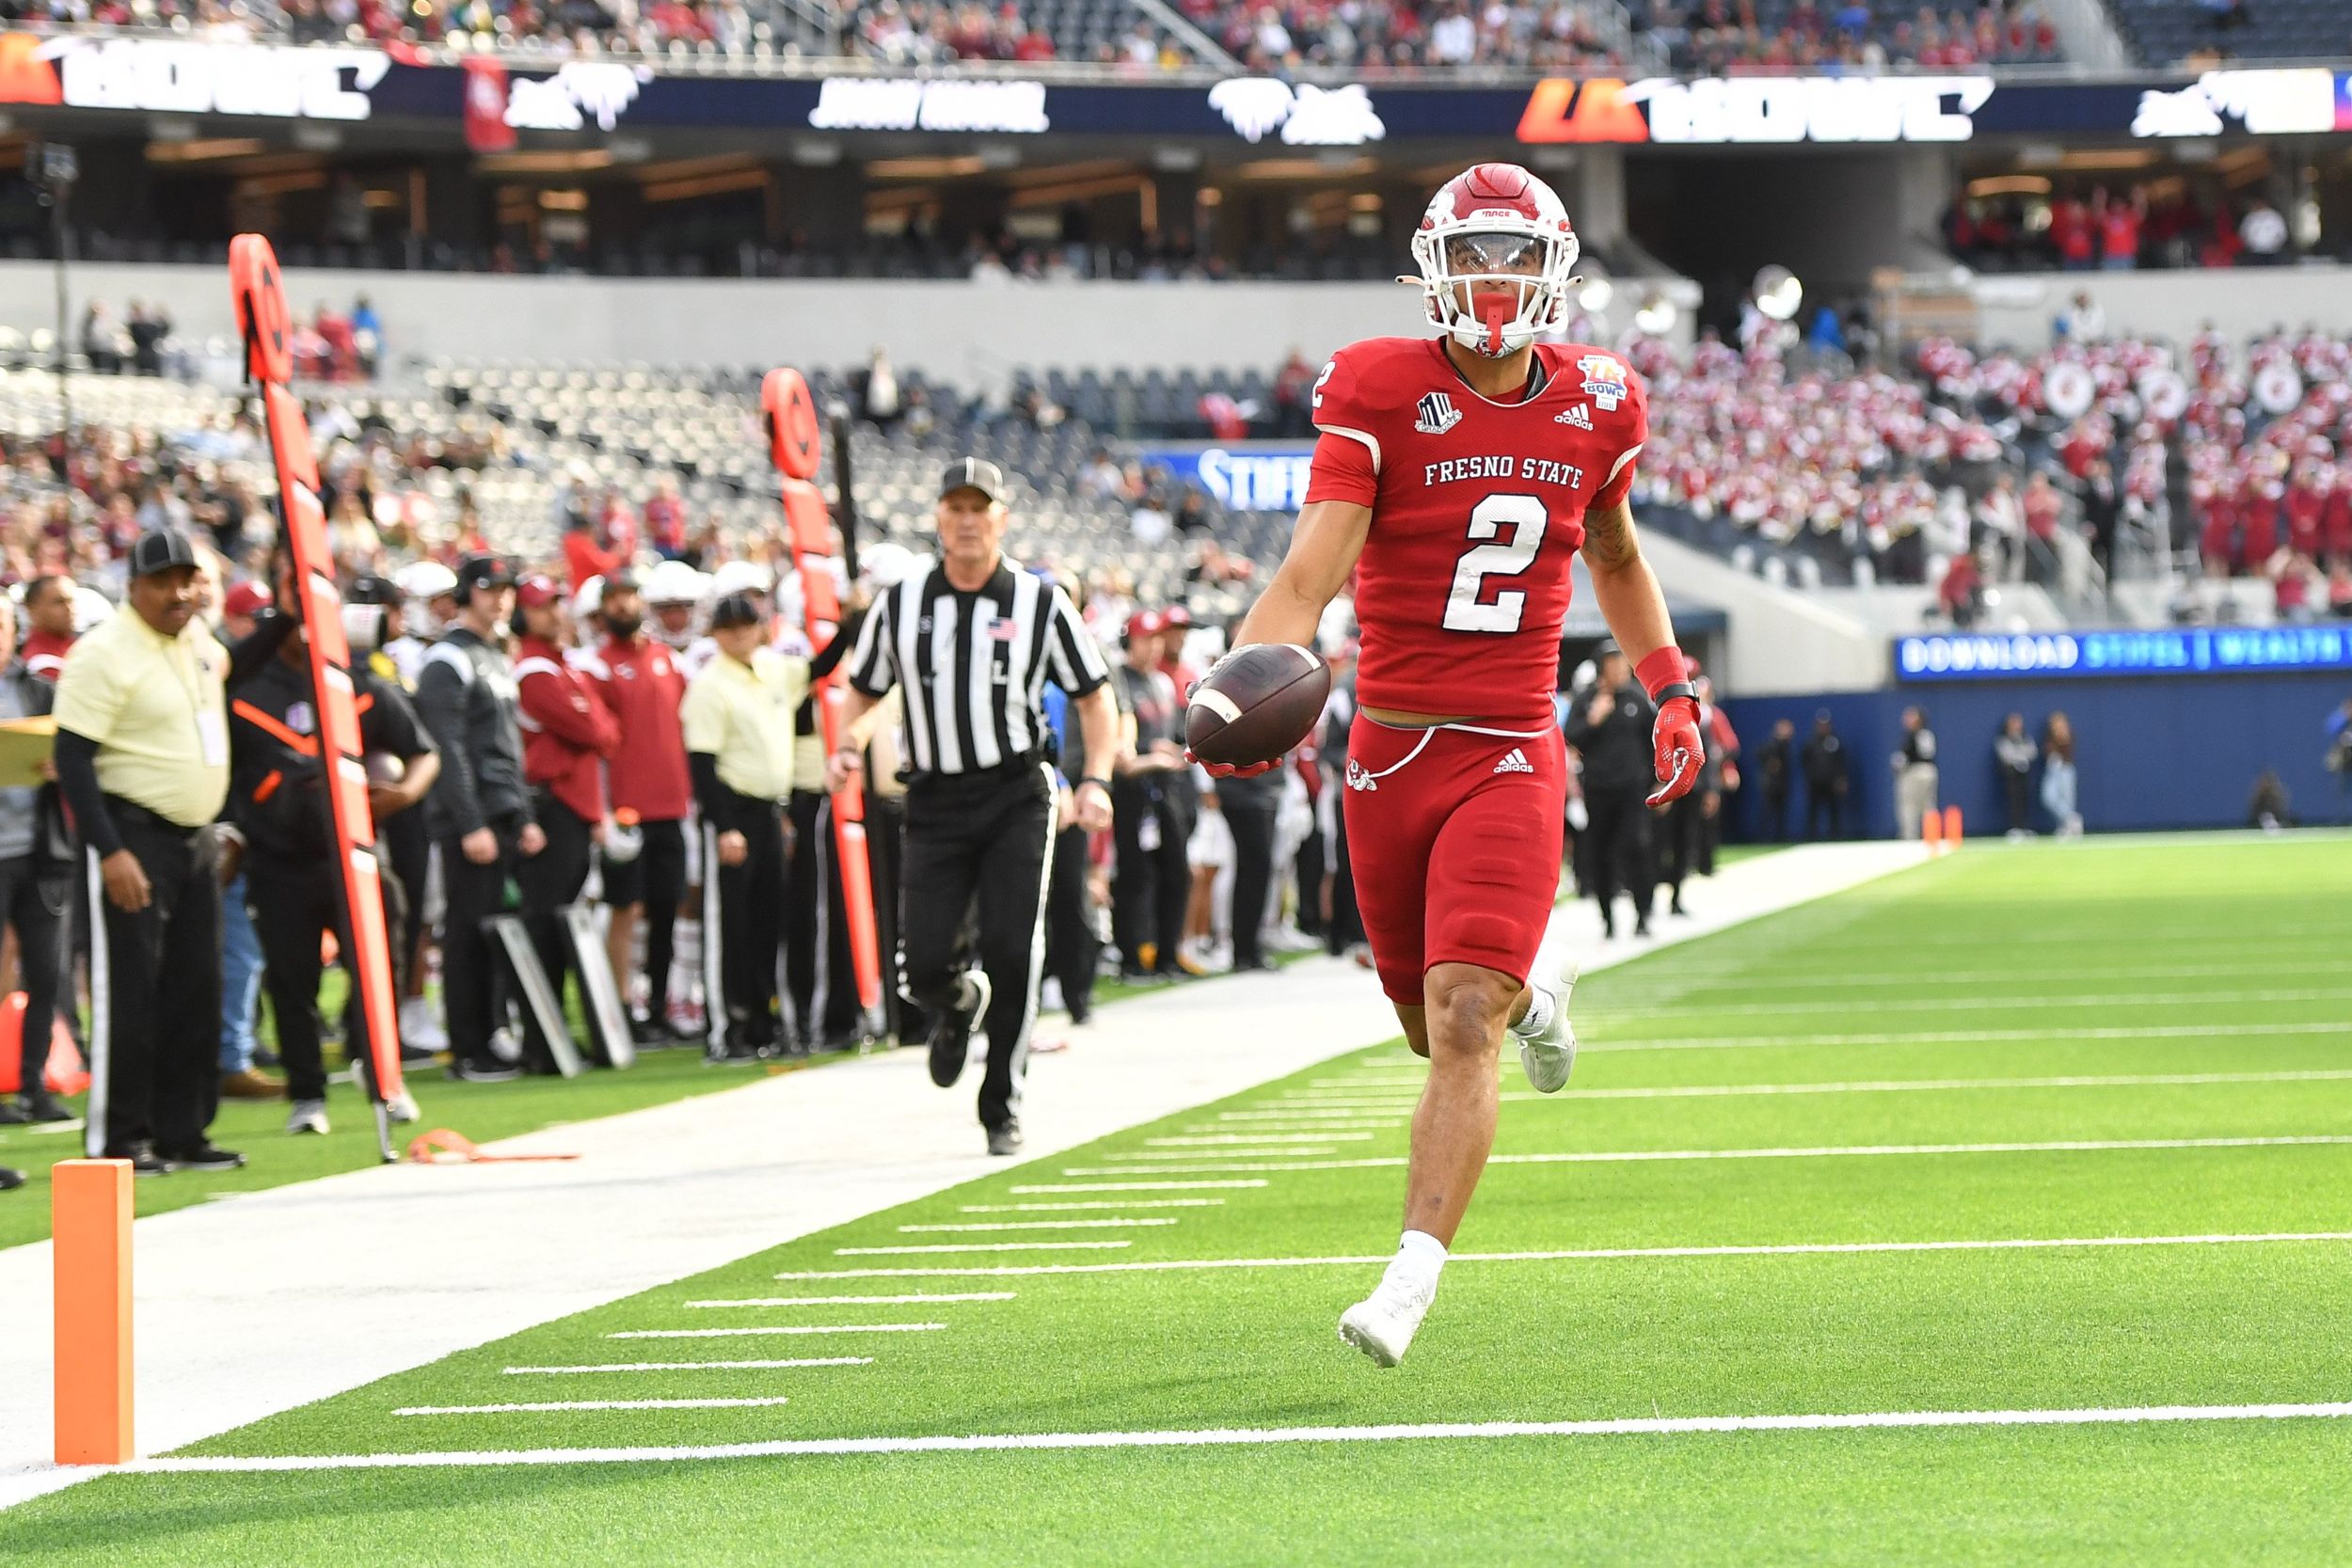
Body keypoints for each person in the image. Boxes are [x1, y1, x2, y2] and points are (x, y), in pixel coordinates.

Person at [1200, 164, 1701, 1365]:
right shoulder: (1376, 387)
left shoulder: (1599, 399)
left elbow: (1618, 559)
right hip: (1388, 750)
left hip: (1511, 744)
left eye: (1515, 257)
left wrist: (1670, 685)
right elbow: (1311, 575)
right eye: (1472, 255)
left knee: (1462, 1010)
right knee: (1437, 1031)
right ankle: (1543, 990)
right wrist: (1236, 681)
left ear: (1555, 273)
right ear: (1434, 267)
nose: (1493, 279)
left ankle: (1409, 1279)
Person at [833, 458, 1117, 1157]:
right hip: (932, 794)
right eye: (954, 507)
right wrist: (850, 738)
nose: (966, 520)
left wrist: (1097, 778)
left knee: (1013, 947)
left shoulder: (1038, 601)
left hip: (1015, 793)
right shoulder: (900, 603)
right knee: (922, 964)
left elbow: (1093, 693)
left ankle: (1001, 1104)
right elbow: (865, 689)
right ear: (938, 518)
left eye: (978, 507)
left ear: (1000, 519)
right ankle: (959, 1002)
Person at [53, 529, 290, 1173]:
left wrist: (288, 614)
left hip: (193, 839)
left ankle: (184, 1130)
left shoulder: (194, 642)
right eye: (163, 581)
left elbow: (236, 665)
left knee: (196, 987)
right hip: (132, 836)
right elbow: (71, 757)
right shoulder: (104, 651)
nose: (178, 592)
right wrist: (108, 850)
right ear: (133, 586)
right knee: (131, 993)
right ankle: (121, 1138)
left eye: (187, 579)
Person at [228, 569, 438, 1133]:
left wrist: (405, 794)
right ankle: (307, 1095)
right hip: (280, 859)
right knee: (292, 981)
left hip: (355, 854)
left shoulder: (359, 684)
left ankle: (380, 1073)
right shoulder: (249, 687)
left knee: (378, 968)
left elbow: (422, 752)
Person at [414, 554, 546, 1083]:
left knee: (497, 931)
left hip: (502, 813)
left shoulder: (490, 654)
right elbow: (446, 748)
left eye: (508, 589)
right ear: (466, 593)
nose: (501, 598)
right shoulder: (448, 659)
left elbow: (504, 747)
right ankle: (467, 1047)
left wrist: (523, 815)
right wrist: (469, 823)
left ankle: (490, 1032)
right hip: (472, 820)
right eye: (490, 589)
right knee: (468, 932)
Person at [681, 590, 805, 1059]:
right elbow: (702, 764)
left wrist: (851, 616)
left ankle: (761, 1021)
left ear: (761, 627)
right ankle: (727, 1027)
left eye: (746, 625)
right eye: (729, 627)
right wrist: (724, 825)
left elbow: (820, 669)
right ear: (716, 634)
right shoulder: (711, 684)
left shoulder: (773, 667)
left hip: (769, 808)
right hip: (733, 811)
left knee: (767, 920)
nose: (738, 634)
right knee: (729, 925)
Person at [572, 571, 694, 1043]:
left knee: (666, 907)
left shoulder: (669, 661)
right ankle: (620, 1006)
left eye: (630, 597)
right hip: (626, 809)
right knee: (626, 908)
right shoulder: (597, 667)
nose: (624, 607)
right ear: (603, 610)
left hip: (671, 805)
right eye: (615, 600)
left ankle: (661, 1004)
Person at [514, 576, 620, 1068]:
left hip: (574, 808)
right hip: (552, 807)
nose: (554, 614)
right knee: (546, 924)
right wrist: (593, 726)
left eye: (557, 603)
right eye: (542, 607)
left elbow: (606, 731)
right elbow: (590, 728)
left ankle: (553, 1032)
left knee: (561, 922)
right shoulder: (535, 671)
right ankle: (542, 1036)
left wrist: (594, 726)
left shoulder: (561, 666)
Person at [0, 594, 73, 1125]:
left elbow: (76, 752)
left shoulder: (38, 689)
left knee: (47, 972)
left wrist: (59, 766)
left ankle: (33, 1086)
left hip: (40, 850)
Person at [1109, 610, 1194, 981]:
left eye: (1157, 638)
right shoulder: (1119, 680)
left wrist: (1174, 751)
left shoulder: (1160, 683)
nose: (1154, 646)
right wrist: (1151, 754)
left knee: (1177, 872)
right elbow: (1121, 749)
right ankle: (1131, 956)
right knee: (1133, 876)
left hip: (1165, 789)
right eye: (1146, 639)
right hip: (1131, 791)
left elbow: (1175, 736)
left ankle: (1167, 953)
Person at [1565, 642, 1659, 939]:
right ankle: (1607, 918)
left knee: (1637, 846)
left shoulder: (1637, 700)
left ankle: (1644, 914)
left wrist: (1658, 781)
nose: (1621, 670)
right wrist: (1594, 719)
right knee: (1600, 853)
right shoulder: (1586, 700)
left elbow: (1653, 742)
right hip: (1599, 789)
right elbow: (1571, 737)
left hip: (1633, 789)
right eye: (1614, 664)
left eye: (1623, 664)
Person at [1891, 705, 1940, 840]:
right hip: (1929, 771)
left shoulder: (1912, 735)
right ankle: (1932, 835)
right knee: (1928, 805)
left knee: (1909, 806)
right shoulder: (1927, 734)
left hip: (1913, 772)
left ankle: (1909, 837)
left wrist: (1897, 766)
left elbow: (1903, 758)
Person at [21, 575, 79, 683]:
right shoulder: (41, 666)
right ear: (32, 609)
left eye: (71, 601)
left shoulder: (78, 645)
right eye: (59, 602)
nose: (69, 609)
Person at [1801, 710, 1849, 839]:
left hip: (1831, 783)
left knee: (1833, 811)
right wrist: (1810, 777)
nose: (1823, 727)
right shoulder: (1810, 743)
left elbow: (1841, 762)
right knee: (1813, 811)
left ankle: (1834, 836)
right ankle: (1812, 836)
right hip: (1815, 783)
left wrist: (1841, 779)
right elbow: (1804, 761)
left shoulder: (1835, 742)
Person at [1994, 713, 2038, 839]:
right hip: (2011, 775)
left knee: (2025, 800)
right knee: (2013, 801)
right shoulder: (2003, 739)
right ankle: (2015, 827)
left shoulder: (2025, 738)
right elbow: (2006, 755)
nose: (2017, 726)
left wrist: (2022, 757)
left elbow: (2032, 751)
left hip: (2025, 775)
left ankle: (2025, 827)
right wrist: (2019, 758)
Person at [2041, 711, 2081, 836]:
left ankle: (2067, 827)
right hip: (2052, 770)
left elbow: (2067, 752)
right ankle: (2071, 819)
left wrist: (2062, 735)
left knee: (2066, 800)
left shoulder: (2067, 736)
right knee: (2048, 798)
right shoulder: (2049, 736)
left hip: (2065, 770)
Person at [1756, 717, 1794, 842]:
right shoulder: (1771, 744)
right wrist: (1770, 764)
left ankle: (1780, 837)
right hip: (1770, 784)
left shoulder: (1786, 746)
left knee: (1780, 813)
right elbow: (1760, 755)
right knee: (1768, 812)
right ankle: (1764, 838)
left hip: (1782, 784)